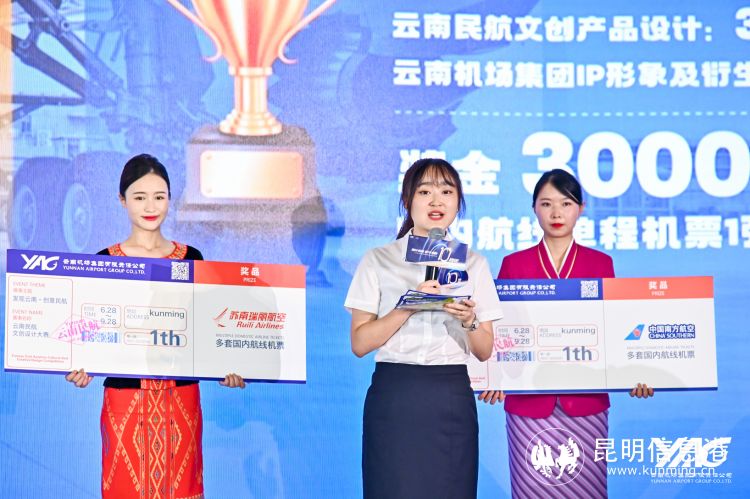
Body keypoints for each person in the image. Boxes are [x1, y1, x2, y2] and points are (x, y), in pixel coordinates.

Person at [65, 153, 246, 499]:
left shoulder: (192, 258)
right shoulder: (104, 261)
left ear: (169, 199)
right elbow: (91, 333)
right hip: (125, 401)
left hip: (181, 401)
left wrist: (229, 365)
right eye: (139, 197)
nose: (150, 206)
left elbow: (207, 329)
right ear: (122, 200)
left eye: (159, 197)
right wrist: (82, 366)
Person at [478, 169, 654, 498]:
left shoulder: (600, 263)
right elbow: (499, 329)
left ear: (581, 208)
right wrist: (493, 375)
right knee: (532, 490)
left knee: (587, 490)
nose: (556, 213)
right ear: (534, 208)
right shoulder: (514, 264)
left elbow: (614, 331)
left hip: (586, 405)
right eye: (546, 204)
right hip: (529, 405)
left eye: (566, 203)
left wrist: (635, 373)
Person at [345, 158, 504, 499]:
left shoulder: (474, 263)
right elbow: (359, 343)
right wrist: (407, 307)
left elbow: (484, 349)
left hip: (450, 395)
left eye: (447, 192)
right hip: (395, 394)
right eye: (425, 191)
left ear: (458, 202)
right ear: (407, 200)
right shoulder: (378, 259)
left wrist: (469, 321)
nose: (436, 201)